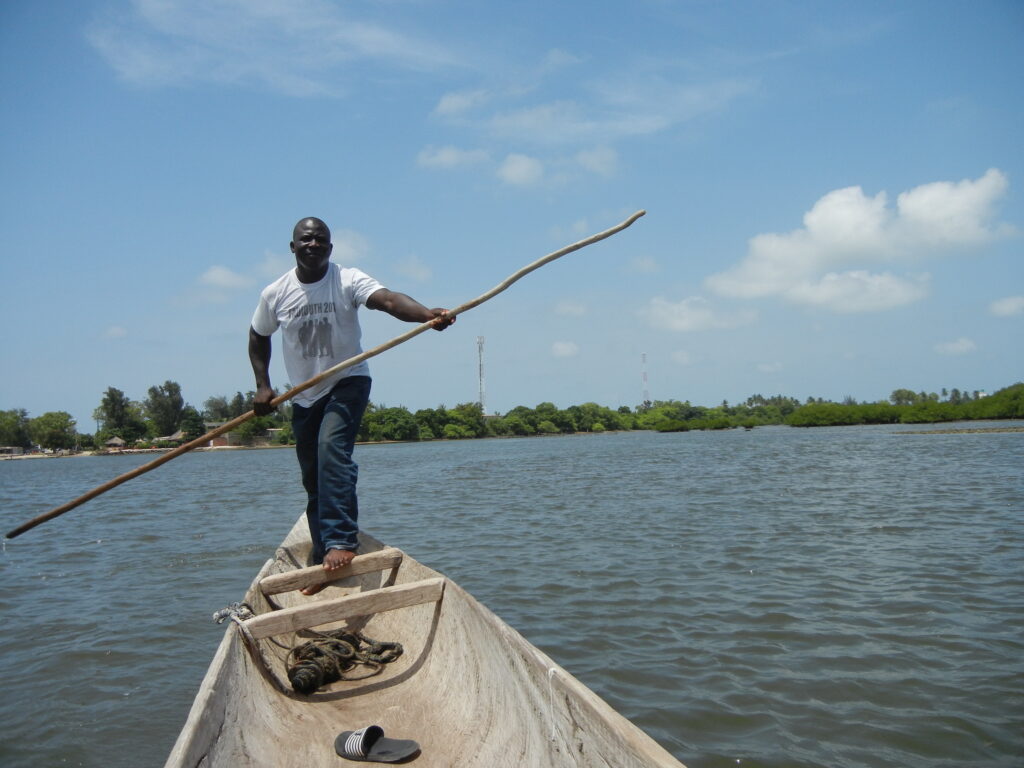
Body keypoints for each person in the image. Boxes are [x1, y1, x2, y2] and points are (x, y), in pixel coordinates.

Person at [249, 216, 455, 594]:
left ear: (330, 247)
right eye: (306, 240)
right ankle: (320, 559)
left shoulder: (347, 279)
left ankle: (342, 541)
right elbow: (258, 335)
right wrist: (262, 385)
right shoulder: (275, 293)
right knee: (313, 477)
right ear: (293, 247)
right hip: (304, 394)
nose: (313, 245)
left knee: (332, 451)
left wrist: (427, 315)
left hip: (348, 382)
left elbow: (389, 300)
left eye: (321, 240)